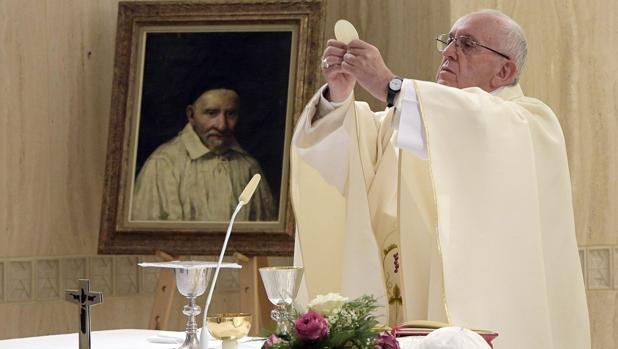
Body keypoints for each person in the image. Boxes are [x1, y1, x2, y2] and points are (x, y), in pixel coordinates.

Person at [291, 9, 590, 349]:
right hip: (400, 322)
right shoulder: (407, 121)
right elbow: (341, 160)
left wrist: (389, 86)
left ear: (505, 69)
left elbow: (474, 124)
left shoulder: (527, 124)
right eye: (448, 41)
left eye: (467, 44)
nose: (448, 52)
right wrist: (339, 94)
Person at [132, 86, 276, 221]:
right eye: (211, 113)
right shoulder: (163, 164)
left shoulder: (248, 167)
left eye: (230, 114)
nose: (222, 125)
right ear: (191, 115)